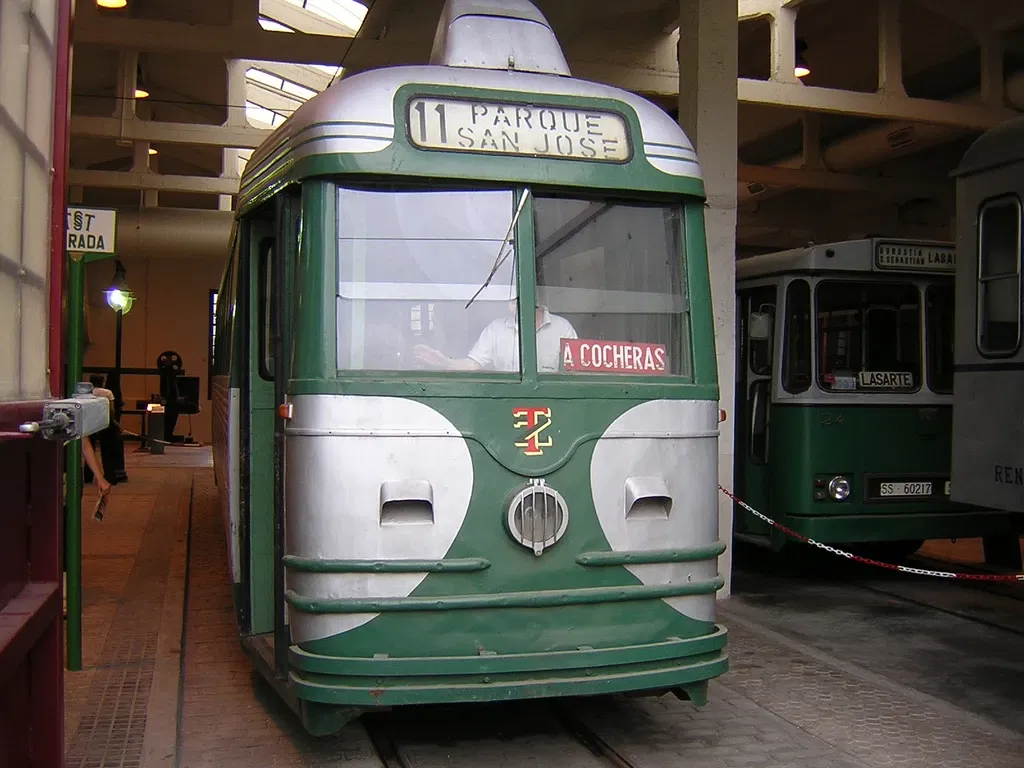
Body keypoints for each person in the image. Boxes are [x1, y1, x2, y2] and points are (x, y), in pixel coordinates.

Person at [413, 301, 577, 372]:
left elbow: (575, 371)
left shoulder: (562, 328)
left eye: (515, 300)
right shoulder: (495, 329)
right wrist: (446, 363)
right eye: (509, 302)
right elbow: (474, 363)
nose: (510, 307)